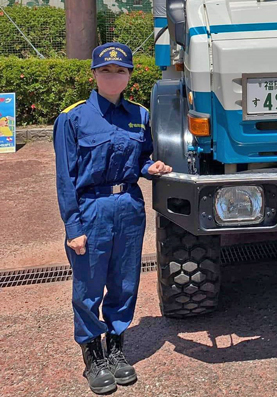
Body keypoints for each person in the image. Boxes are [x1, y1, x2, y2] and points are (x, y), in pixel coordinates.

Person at [53, 42, 172, 394]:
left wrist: (153, 167)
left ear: (129, 76)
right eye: (106, 70)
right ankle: (93, 356)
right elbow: (65, 179)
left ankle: (117, 350)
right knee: (88, 286)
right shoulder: (72, 117)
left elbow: (140, 160)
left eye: (120, 70)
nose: (113, 76)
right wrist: (73, 227)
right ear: (94, 74)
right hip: (91, 209)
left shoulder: (139, 115)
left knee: (124, 283)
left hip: (129, 207)